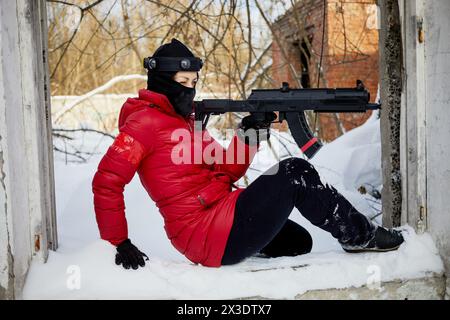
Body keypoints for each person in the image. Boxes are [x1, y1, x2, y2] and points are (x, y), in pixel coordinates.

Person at [92, 38, 404, 270]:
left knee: (299, 242)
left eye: (194, 83)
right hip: (202, 231)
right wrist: (119, 242)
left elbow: (228, 171)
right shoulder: (143, 124)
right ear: (162, 82)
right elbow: (107, 182)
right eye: (183, 83)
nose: (190, 90)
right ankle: (360, 235)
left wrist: (251, 130)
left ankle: (252, 256)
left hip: (223, 212)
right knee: (295, 172)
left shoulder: (186, 122)